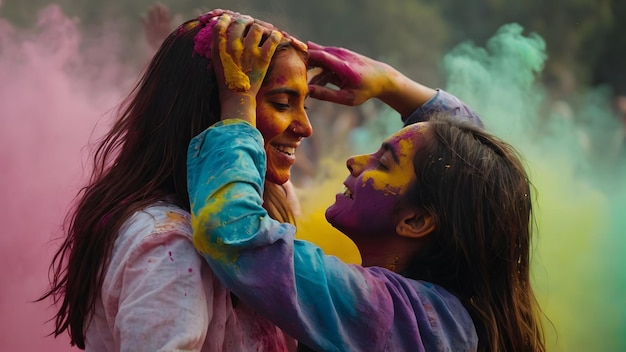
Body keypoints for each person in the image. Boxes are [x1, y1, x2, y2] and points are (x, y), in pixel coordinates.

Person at [187, 17, 546, 352]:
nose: (355, 162)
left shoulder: (380, 311)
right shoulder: (446, 312)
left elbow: (234, 231)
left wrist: (237, 102)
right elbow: (475, 167)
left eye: (383, 163)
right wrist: (388, 82)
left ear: (416, 221)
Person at [39, 10, 311, 351]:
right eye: (284, 103)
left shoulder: (270, 199)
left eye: (305, 104)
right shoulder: (167, 243)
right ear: (219, 108)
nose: (305, 126)